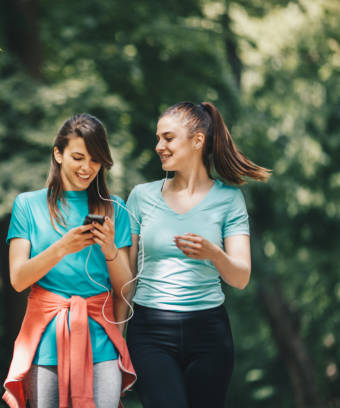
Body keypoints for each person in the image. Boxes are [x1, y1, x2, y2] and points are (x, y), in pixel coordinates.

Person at [123, 102, 270, 408]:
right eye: (158, 138)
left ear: (197, 141)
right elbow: (126, 280)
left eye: (168, 138)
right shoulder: (140, 197)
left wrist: (214, 253)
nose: (158, 146)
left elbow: (240, 277)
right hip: (149, 331)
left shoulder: (229, 200)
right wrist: (114, 342)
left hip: (209, 333)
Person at [2, 114, 137, 408]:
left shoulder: (116, 209)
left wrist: (110, 248)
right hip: (45, 342)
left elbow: (125, 289)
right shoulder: (27, 205)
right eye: (78, 157)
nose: (87, 168)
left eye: (96, 159)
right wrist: (62, 247)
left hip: (101, 342)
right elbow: (18, 278)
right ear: (58, 154)